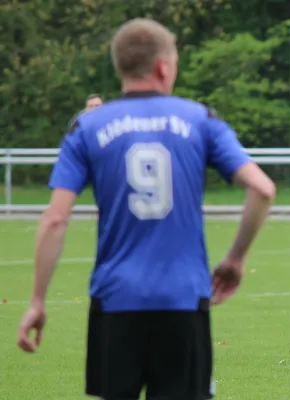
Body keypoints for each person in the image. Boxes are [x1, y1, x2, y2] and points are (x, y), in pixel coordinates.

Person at [17, 18, 276, 400]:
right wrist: (235, 259)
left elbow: (56, 218)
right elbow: (262, 189)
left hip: (115, 298)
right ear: (163, 66)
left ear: (121, 67)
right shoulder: (200, 119)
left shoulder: (87, 127)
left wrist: (38, 300)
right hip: (184, 299)